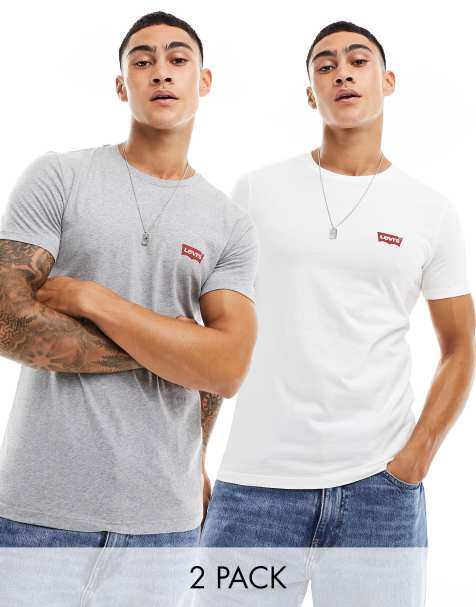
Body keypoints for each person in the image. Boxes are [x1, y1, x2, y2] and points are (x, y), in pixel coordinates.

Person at [198, 20, 475, 606]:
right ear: (311, 93)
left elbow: (460, 346)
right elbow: (213, 333)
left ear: (387, 80)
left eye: (357, 61)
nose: (342, 73)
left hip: (380, 491)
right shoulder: (256, 191)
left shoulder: (430, 211)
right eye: (325, 66)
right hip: (254, 490)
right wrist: (190, 454)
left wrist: (416, 457)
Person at [0, 10, 258, 605]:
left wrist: (97, 301)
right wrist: (180, 350)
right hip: (39, 513)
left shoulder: (229, 224)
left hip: (164, 525)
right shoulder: (59, 176)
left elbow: (226, 371)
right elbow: (9, 323)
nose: (160, 72)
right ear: (122, 85)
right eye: (142, 61)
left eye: (177, 59)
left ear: (203, 80)